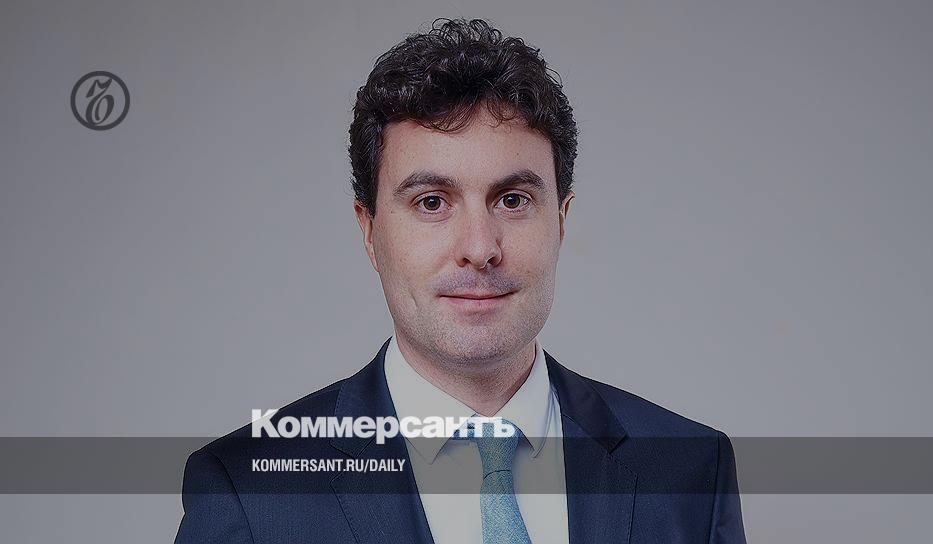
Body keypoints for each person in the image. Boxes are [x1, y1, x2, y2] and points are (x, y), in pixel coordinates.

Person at [175, 18, 747, 544]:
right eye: (431, 202)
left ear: (561, 221)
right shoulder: (250, 493)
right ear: (369, 231)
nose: (479, 248)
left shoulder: (691, 469)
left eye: (513, 199)